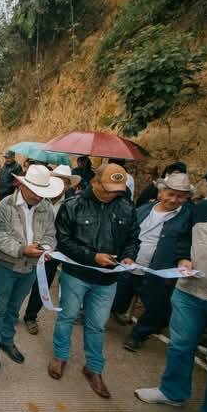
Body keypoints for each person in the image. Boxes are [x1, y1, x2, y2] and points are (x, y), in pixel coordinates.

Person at [48, 163, 140, 398]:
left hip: (107, 281)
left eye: (116, 190)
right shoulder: (73, 206)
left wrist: (129, 256)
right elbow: (64, 241)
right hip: (76, 275)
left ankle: (94, 368)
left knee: (97, 325)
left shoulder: (126, 208)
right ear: (95, 182)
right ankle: (60, 356)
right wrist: (92, 257)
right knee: (67, 317)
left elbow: (133, 238)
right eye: (107, 188)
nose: (111, 194)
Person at [134, 176, 207, 412]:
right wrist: (183, 258)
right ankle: (172, 391)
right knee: (180, 346)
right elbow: (183, 240)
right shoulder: (201, 210)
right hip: (189, 290)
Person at [0, 165, 62, 372]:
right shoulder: (5, 205)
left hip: (30, 268)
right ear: (24, 185)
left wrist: (44, 248)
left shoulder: (46, 208)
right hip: (7, 265)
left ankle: (6, 340)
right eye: (35, 191)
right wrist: (21, 250)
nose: (38, 197)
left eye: (42, 193)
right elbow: (0, 236)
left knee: (14, 307)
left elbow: (50, 235)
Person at [111, 173, 194, 351]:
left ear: (186, 198)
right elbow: (128, 232)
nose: (174, 199)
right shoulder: (143, 209)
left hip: (158, 270)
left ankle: (139, 334)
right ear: (160, 193)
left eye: (180, 196)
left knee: (155, 306)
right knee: (118, 294)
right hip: (130, 264)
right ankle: (117, 311)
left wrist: (183, 259)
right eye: (170, 194)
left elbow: (187, 243)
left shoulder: (187, 217)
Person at [23, 165, 80, 334]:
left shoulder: (73, 204)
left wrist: (52, 248)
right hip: (28, 247)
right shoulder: (37, 196)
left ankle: (31, 316)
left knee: (43, 284)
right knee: (19, 282)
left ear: (69, 185)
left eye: (65, 182)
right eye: (57, 180)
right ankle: (9, 314)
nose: (61, 184)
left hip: (53, 253)